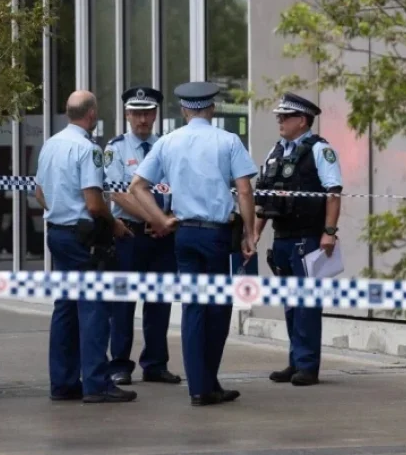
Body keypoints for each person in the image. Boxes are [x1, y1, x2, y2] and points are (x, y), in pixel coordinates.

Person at [128, 81, 258, 406]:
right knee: (218, 310)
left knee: (192, 309)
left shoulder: (168, 142)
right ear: (211, 108)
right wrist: (250, 233)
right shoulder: (228, 141)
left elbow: (137, 186)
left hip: (184, 233)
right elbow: (244, 191)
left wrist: (159, 219)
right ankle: (206, 383)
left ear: (184, 109)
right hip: (215, 235)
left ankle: (200, 386)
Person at [34, 90, 137, 403]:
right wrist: (115, 224)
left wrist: (60, 208)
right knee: (93, 309)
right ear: (91, 115)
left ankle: (63, 383)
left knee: (65, 308)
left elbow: (39, 192)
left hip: (57, 234)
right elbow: (94, 203)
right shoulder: (87, 149)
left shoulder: (51, 144)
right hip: (84, 238)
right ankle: (96, 382)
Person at [252, 92, 343, 387]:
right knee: (291, 304)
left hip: (307, 237)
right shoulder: (275, 151)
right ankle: (295, 360)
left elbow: (333, 192)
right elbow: (264, 196)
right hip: (282, 238)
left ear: (302, 120)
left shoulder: (320, 150)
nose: (280, 121)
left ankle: (307, 365)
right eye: (279, 116)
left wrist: (329, 232)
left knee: (306, 305)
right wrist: (255, 232)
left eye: (285, 117)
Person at [104, 86, 182, 386]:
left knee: (159, 303)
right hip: (130, 235)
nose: (142, 119)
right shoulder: (116, 149)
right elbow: (116, 192)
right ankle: (120, 364)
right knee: (123, 303)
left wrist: (167, 221)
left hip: (163, 237)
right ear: (127, 115)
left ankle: (156, 364)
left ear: (155, 114)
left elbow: (176, 186)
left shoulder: (166, 146)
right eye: (136, 113)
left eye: (147, 113)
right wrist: (153, 218)